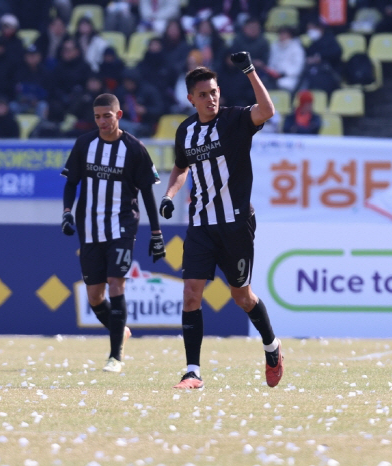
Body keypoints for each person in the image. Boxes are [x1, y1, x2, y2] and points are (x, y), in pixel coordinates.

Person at [159, 53, 283, 390]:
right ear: (190, 99)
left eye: (214, 92)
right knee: (191, 295)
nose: (211, 98)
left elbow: (268, 111)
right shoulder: (185, 131)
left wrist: (250, 71)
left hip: (236, 224)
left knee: (242, 297)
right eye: (203, 94)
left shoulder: (235, 120)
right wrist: (169, 196)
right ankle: (192, 371)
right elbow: (181, 167)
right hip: (201, 225)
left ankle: (272, 348)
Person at [60, 92, 166, 373]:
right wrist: (67, 213)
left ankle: (115, 356)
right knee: (94, 296)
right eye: (97, 117)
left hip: (121, 226)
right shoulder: (84, 144)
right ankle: (121, 330)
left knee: (116, 283)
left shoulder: (134, 149)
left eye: (107, 115)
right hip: (90, 228)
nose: (102, 121)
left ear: (119, 115)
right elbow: (71, 182)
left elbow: (147, 193)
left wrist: (156, 233)